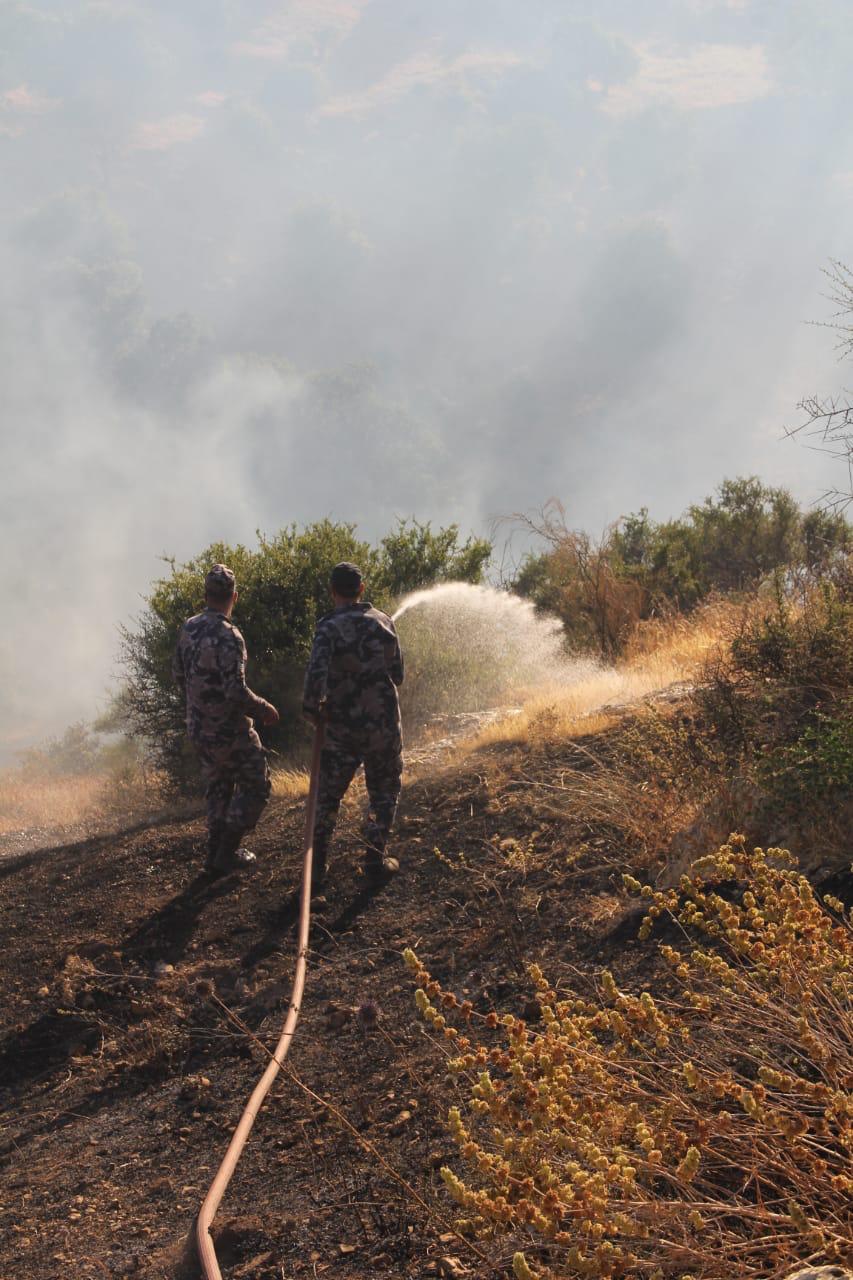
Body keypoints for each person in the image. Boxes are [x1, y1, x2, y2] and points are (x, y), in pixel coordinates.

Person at [303, 561, 404, 892]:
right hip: (383, 724)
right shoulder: (385, 622)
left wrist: (313, 710)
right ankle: (375, 858)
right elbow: (398, 675)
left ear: (333, 592)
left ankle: (316, 868)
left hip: (341, 729)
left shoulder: (327, 628)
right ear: (361, 589)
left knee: (327, 796)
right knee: (384, 790)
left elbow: (314, 680)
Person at [173, 563, 279, 873]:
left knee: (219, 786)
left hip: (198, 728)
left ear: (206, 595)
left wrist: (200, 706)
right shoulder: (230, 636)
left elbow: (179, 676)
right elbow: (236, 692)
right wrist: (265, 709)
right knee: (257, 786)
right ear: (234, 596)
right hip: (228, 730)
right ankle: (226, 852)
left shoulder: (188, 628)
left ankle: (213, 857)